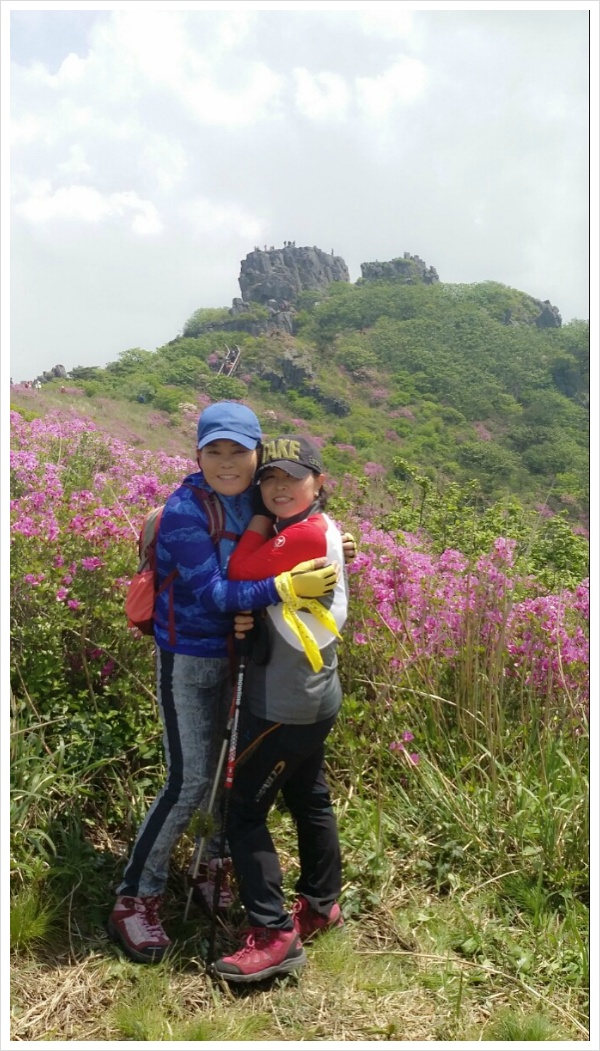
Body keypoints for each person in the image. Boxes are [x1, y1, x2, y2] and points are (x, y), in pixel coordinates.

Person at [108, 404, 340, 964]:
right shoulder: (185, 510)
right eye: (214, 451)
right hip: (189, 658)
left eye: (239, 451)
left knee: (224, 774)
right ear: (197, 455)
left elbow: (294, 526)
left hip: (245, 660)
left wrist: (337, 543)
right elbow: (215, 594)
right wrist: (285, 588)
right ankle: (135, 897)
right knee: (188, 781)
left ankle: (212, 865)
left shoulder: (257, 498)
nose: (227, 462)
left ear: (258, 454)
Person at [212, 434, 348, 984]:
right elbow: (271, 590)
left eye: (292, 477)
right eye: (269, 478)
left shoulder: (304, 532)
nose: (278, 487)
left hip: (286, 704)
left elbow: (239, 571)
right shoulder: (317, 527)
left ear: (319, 483)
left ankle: (274, 934)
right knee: (308, 795)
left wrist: (257, 520)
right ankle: (320, 905)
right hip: (315, 693)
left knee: (242, 812)